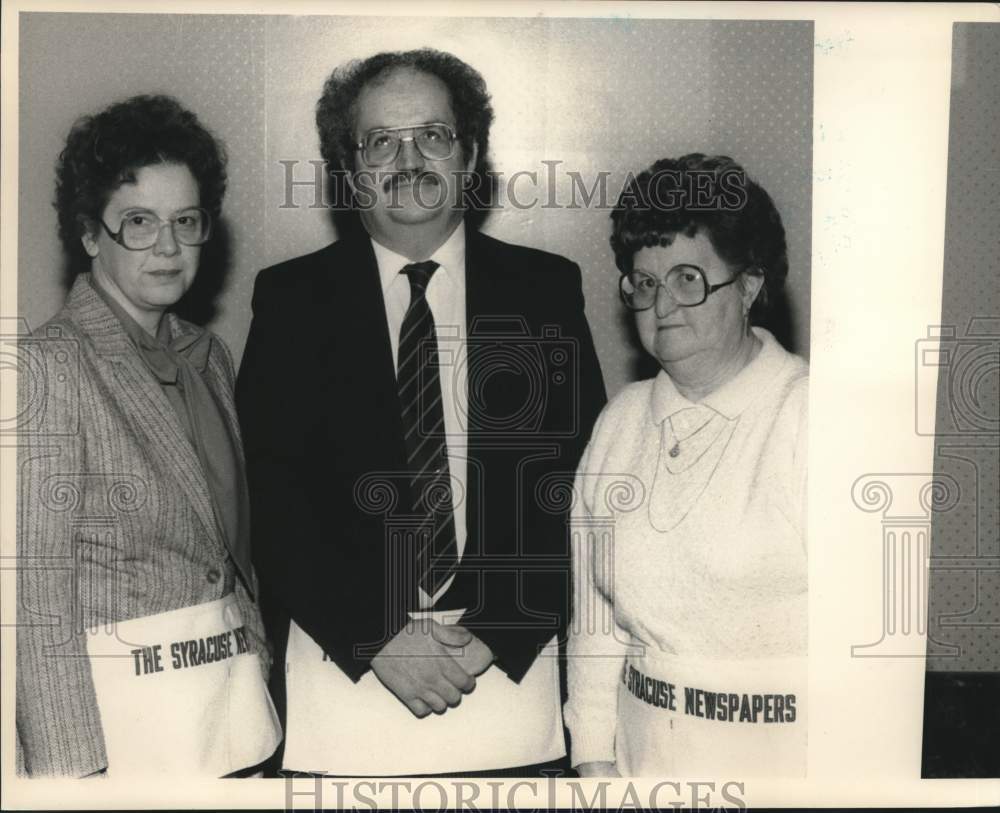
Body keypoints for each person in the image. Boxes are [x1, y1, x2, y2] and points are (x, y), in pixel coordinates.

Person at [236, 48, 606, 777]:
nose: (409, 160)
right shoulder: (291, 301)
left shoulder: (544, 291)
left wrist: (495, 630)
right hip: (344, 686)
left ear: (469, 154)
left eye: (433, 135)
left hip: (511, 682)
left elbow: (580, 482)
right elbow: (268, 499)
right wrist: (375, 633)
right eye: (380, 141)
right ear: (348, 169)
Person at [16, 94, 280, 777]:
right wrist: (72, 778)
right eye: (138, 222)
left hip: (229, 720)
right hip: (120, 742)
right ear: (90, 234)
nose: (167, 246)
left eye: (185, 221)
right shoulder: (48, 366)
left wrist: (258, 659)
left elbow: (228, 554)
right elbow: (34, 596)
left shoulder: (208, 356)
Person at [564, 154, 808, 777]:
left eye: (688, 278)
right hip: (638, 765)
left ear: (748, 286)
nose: (662, 304)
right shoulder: (621, 421)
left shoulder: (811, 416)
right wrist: (593, 760)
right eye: (644, 283)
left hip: (784, 770)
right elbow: (595, 618)